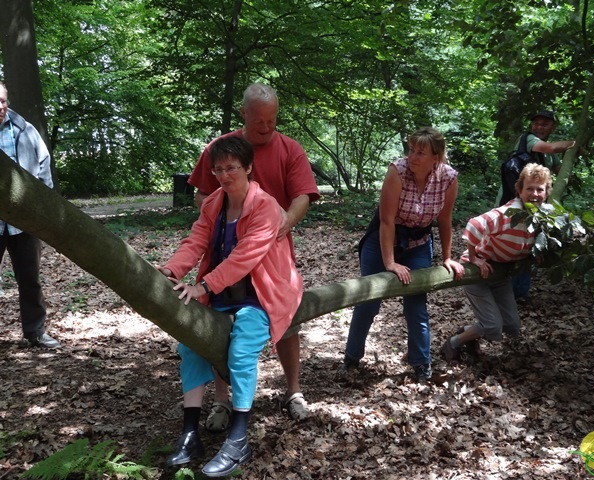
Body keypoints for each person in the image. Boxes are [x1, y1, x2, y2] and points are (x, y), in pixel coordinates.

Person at [158, 136, 303, 477]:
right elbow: (195, 240)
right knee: (190, 346)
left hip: (262, 293)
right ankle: (190, 432)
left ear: (249, 168)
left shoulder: (265, 206)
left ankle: (239, 438)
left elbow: (245, 257)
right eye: (218, 169)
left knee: (241, 351)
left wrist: (202, 285)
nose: (224, 176)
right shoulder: (214, 204)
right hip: (223, 293)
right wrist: (171, 269)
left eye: (232, 168)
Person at [188, 83, 319, 427]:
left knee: (286, 319)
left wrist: (281, 223)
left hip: (274, 254)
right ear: (243, 115)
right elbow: (202, 196)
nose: (267, 127)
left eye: (272, 119)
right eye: (259, 120)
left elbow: (304, 195)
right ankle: (221, 400)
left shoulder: (290, 149)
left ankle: (292, 390)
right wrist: (227, 217)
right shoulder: (222, 149)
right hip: (225, 253)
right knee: (220, 321)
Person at [338, 127, 465, 382]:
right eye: (412, 150)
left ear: (435, 158)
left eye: (421, 152)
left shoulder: (448, 178)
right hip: (383, 241)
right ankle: (351, 358)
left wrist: (447, 257)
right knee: (369, 301)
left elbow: (445, 220)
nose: (413, 156)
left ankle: (421, 365)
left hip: (418, 243)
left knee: (416, 306)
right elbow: (386, 221)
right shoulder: (397, 171)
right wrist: (390, 263)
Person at [441, 163, 553, 363]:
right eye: (529, 188)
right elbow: (474, 224)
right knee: (492, 326)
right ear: (519, 190)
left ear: (546, 192)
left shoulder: (544, 215)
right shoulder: (509, 213)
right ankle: (454, 342)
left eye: (540, 189)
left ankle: (470, 334)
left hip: (500, 274)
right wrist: (474, 257)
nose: (534, 194)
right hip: (477, 273)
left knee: (511, 325)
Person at [0, 81, 59, 348]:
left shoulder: (24, 129)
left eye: (3, 101)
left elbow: (43, 164)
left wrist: (43, 209)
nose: (1, 107)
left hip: (24, 221)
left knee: (30, 279)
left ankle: (35, 332)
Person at [498, 110, 577, 299]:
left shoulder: (549, 155)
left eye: (544, 124)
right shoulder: (529, 140)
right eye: (537, 123)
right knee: (511, 243)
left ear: (552, 127)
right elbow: (549, 148)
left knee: (529, 245)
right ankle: (504, 289)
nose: (539, 127)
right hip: (513, 202)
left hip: (535, 206)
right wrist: (574, 144)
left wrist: (571, 158)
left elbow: (559, 169)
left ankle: (519, 293)